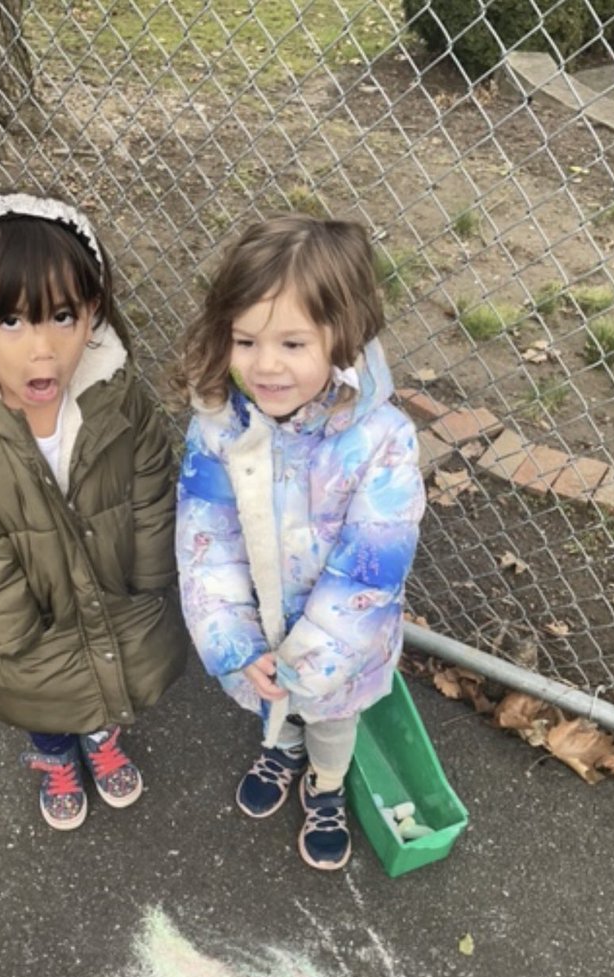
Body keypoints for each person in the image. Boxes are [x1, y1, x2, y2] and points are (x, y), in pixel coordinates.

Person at [0, 192, 187, 832]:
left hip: (115, 593)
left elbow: (150, 494)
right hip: (32, 624)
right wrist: (14, 638)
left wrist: (148, 579)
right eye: (11, 321)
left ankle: (98, 734)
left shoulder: (118, 399)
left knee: (101, 690)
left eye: (62, 316)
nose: (43, 349)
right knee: (43, 700)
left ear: (92, 313)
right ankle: (56, 754)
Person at [172, 213, 425, 870]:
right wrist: (232, 641)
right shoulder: (219, 423)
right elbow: (207, 540)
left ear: (342, 335)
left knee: (333, 722)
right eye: (247, 340)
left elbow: (370, 571)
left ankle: (327, 784)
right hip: (261, 630)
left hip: (341, 649)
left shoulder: (382, 441)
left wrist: (308, 663)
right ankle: (282, 751)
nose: (264, 366)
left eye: (291, 344)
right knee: (274, 710)